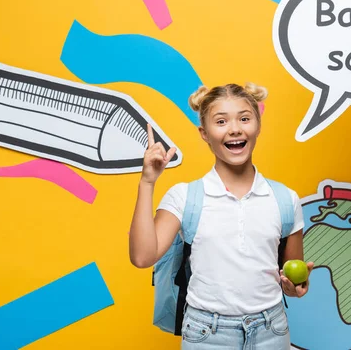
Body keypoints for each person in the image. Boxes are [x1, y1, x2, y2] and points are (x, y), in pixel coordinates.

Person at [128, 82, 313, 349]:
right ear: (204, 133)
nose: (235, 128)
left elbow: (291, 279)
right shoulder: (185, 197)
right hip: (207, 334)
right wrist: (147, 182)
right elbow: (142, 257)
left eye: (244, 118)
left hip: (272, 330)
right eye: (221, 121)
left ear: (258, 125)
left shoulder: (285, 199)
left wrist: (294, 287)